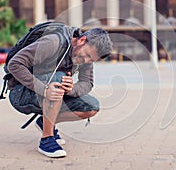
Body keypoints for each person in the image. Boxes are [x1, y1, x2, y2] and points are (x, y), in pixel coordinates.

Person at [6, 23, 113, 158]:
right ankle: (46, 139)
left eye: (91, 59)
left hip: (49, 92)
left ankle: (44, 122)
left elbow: (87, 83)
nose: (85, 61)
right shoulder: (53, 42)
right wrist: (44, 89)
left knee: (92, 107)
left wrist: (71, 89)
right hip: (21, 94)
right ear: (81, 40)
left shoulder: (86, 56)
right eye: (86, 55)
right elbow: (14, 64)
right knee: (59, 79)